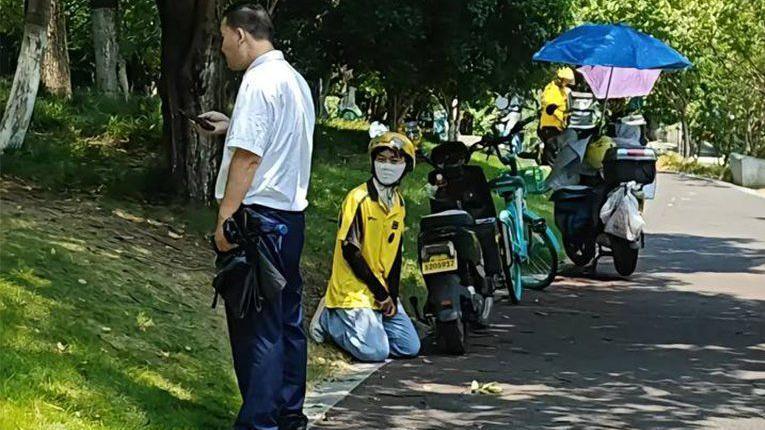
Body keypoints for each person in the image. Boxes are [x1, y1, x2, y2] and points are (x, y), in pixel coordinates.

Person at [196, 3, 315, 429]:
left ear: (242, 35)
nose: (222, 47)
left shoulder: (258, 81)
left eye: (224, 37)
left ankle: (259, 423)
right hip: (290, 219)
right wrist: (233, 124)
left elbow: (248, 158)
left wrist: (225, 219)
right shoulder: (294, 81)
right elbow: (280, 135)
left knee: (256, 328)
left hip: (258, 219)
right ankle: (288, 415)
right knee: (286, 322)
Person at [308, 131, 421, 363]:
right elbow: (351, 251)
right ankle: (329, 318)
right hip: (353, 291)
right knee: (376, 352)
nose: (387, 166)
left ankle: (372, 326)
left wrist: (392, 296)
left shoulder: (398, 203)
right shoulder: (358, 199)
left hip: (379, 291)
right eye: (381, 159)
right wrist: (381, 294)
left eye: (394, 160)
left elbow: (396, 254)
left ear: (406, 166)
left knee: (410, 346)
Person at [539, 67, 575, 165]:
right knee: (550, 151)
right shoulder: (551, 89)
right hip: (549, 125)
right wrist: (558, 113)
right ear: (561, 79)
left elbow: (565, 107)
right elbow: (549, 104)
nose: (567, 83)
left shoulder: (563, 90)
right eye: (566, 81)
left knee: (556, 151)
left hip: (558, 126)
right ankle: (548, 171)